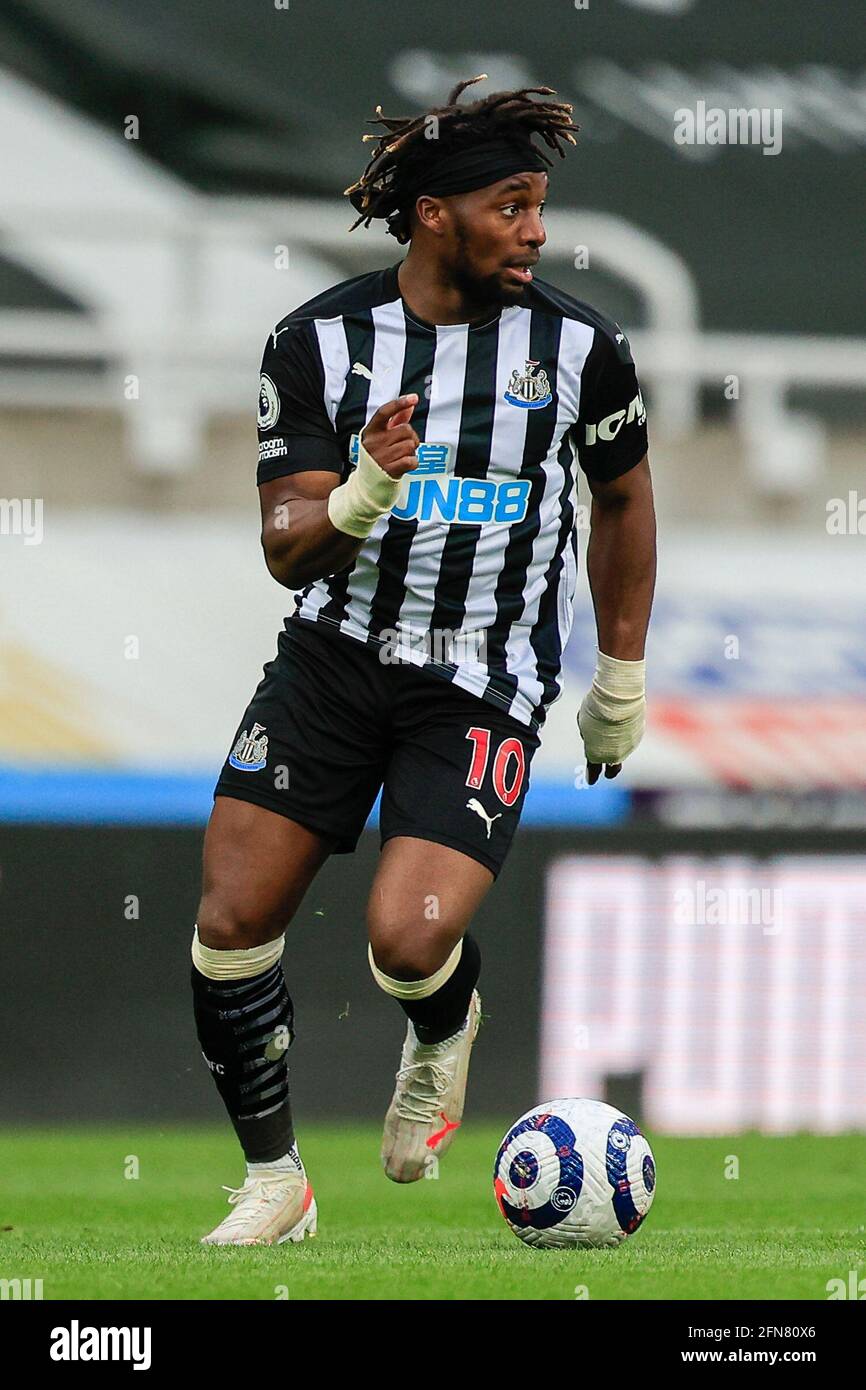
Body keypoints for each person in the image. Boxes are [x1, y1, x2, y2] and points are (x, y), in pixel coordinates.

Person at [191, 75, 656, 1246]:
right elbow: (284, 551)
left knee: (406, 934)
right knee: (232, 917)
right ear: (436, 213)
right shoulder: (317, 341)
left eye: (540, 206)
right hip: (334, 655)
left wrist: (618, 676)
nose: (536, 231)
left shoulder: (579, 349)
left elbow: (623, 501)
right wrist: (363, 490)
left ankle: (440, 1028)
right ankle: (275, 1185)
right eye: (512, 204)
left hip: (482, 677)